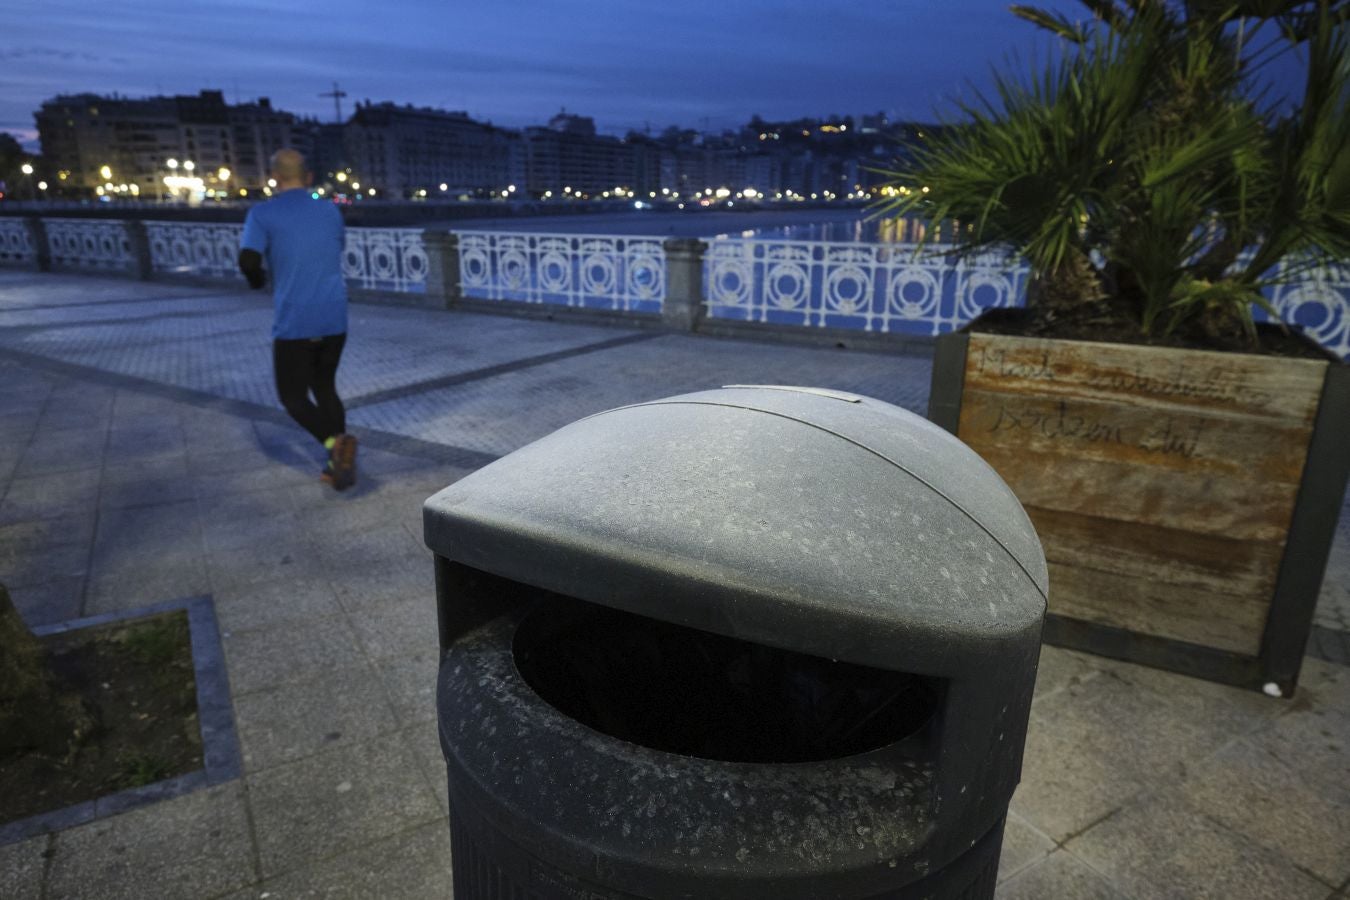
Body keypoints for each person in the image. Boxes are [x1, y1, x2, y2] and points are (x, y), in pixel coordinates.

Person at [237, 149, 358, 490]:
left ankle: (337, 446)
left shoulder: (262, 214)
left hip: (296, 321)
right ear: (307, 177)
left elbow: (248, 261)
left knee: (292, 397)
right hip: (334, 315)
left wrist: (258, 281)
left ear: (274, 177)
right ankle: (337, 465)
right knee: (325, 387)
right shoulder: (331, 211)